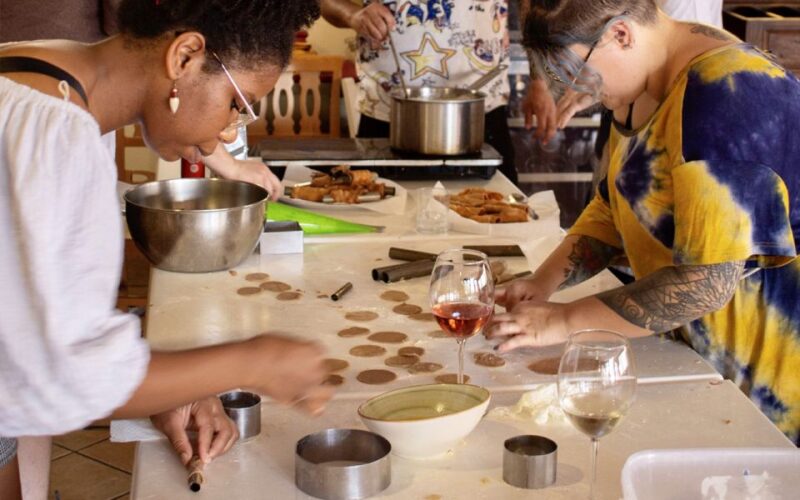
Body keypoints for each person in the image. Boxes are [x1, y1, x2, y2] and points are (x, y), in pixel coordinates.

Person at [0, 1, 333, 497]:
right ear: (184, 57)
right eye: (237, 104)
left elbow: (29, 328)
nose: (229, 132)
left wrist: (172, 385)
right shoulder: (56, 131)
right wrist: (253, 362)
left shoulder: (37, 71)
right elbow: (69, 375)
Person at [486, 0, 800, 446]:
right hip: (694, 364)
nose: (577, 91)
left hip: (763, 389)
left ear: (620, 35)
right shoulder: (645, 78)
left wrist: (563, 321)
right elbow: (615, 207)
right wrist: (544, 282)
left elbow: (705, 283)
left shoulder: (724, 95)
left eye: (578, 72)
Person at [320, 0, 519, 185]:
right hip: (389, 116)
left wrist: (537, 77)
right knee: (380, 210)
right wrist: (352, 15)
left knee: (500, 208)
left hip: (479, 114)